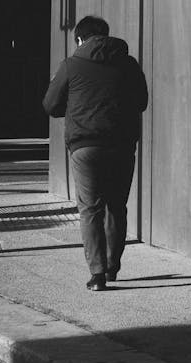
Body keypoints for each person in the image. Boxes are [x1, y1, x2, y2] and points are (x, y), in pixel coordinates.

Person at [42, 15, 148, 291]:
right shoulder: (128, 63)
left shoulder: (71, 65)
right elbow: (142, 101)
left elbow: (51, 105)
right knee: (116, 206)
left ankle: (98, 274)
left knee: (90, 208)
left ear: (80, 39)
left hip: (85, 146)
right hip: (122, 144)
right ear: (106, 35)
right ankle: (112, 267)